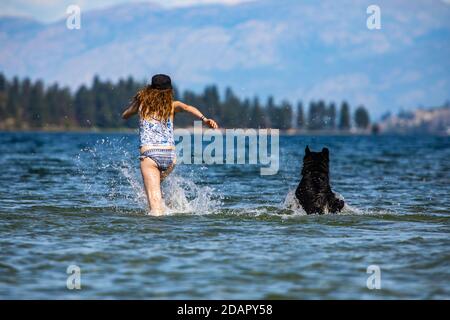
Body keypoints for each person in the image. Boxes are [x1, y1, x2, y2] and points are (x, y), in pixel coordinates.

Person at [122, 74, 219, 215]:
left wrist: (136, 104)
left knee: (154, 207)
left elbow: (125, 115)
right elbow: (187, 107)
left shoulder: (142, 105)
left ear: (150, 89)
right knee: (155, 190)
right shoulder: (172, 106)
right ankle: (167, 207)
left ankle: (157, 233)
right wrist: (205, 119)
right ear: (169, 91)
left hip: (150, 156)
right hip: (170, 157)